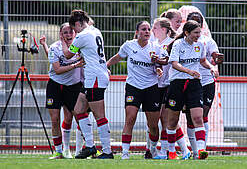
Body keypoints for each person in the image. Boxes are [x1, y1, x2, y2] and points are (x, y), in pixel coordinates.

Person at [106, 21, 163, 160]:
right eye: (144, 29)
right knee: (130, 118)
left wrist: (159, 65)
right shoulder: (129, 45)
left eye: (149, 29)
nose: (147, 31)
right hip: (133, 87)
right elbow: (118, 57)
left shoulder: (155, 47)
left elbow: (164, 60)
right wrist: (105, 65)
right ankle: (125, 153)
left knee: (153, 125)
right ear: (137, 32)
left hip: (151, 88)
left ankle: (152, 149)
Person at [63, 9, 113, 159]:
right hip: (94, 76)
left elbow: (67, 55)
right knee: (78, 110)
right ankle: (90, 146)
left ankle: (107, 151)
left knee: (99, 116)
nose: (73, 33)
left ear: (78, 24)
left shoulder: (82, 36)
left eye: (74, 29)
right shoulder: (95, 30)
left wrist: (63, 40)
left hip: (95, 77)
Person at [166, 20, 215, 160]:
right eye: (195, 33)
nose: (198, 35)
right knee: (173, 121)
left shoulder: (200, 45)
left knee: (198, 117)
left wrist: (211, 68)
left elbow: (202, 61)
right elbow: (174, 63)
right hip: (177, 84)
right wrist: (189, 71)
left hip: (194, 84)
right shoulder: (177, 44)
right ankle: (171, 151)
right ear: (187, 33)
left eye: (199, 32)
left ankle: (200, 151)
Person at [41, 23, 84, 159]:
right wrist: (75, 65)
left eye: (71, 31)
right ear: (61, 34)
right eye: (65, 32)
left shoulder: (80, 47)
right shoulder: (55, 47)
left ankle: (85, 149)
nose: (68, 34)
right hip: (56, 85)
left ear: (75, 33)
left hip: (73, 86)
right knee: (55, 119)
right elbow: (58, 70)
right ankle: (59, 151)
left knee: (79, 117)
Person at [183, 11, 222, 159]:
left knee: (202, 115)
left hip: (206, 82)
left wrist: (215, 62)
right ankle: (193, 151)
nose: (196, 24)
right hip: (189, 82)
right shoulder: (180, 42)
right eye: (192, 21)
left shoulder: (207, 41)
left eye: (198, 22)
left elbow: (214, 58)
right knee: (190, 117)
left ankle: (201, 149)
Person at [151, 17, 191, 160]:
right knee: (165, 119)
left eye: (154, 28)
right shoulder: (155, 44)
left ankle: (172, 150)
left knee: (168, 118)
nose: (152, 30)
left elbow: (169, 61)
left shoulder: (171, 43)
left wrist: (159, 62)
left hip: (170, 84)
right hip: (159, 85)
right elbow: (157, 64)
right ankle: (177, 150)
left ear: (163, 29)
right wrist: (157, 68)